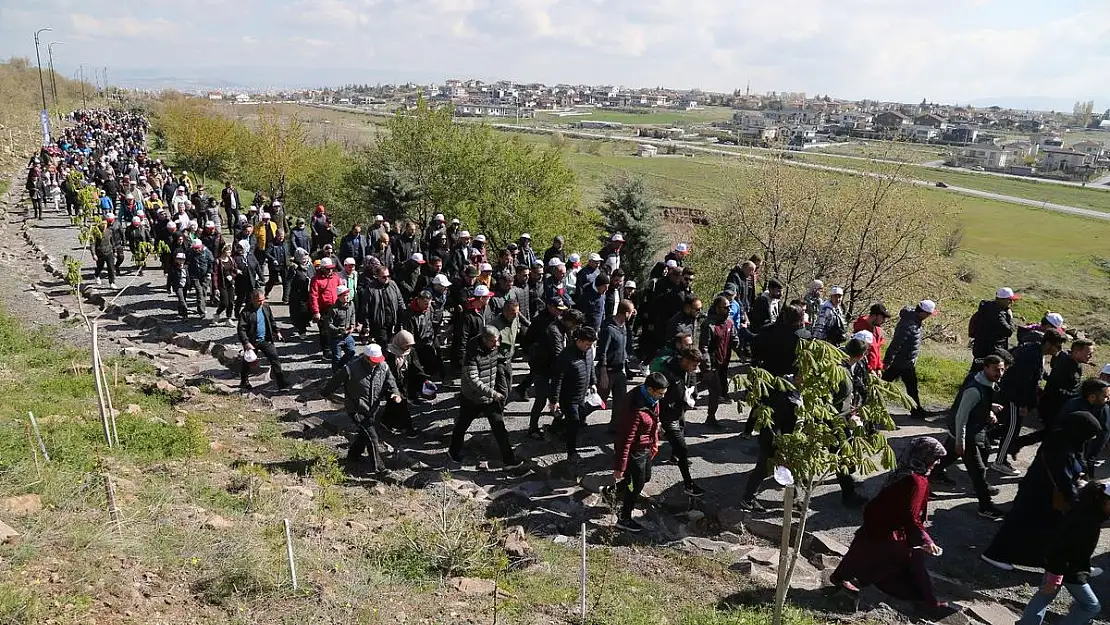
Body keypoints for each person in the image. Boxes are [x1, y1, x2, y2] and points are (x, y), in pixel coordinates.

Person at [829, 437, 950, 617]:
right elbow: (910, 515)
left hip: (878, 524)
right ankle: (929, 604)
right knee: (906, 563)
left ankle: (844, 578)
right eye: (935, 457)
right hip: (889, 530)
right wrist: (924, 539)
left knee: (864, 555)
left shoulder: (905, 470)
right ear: (924, 456)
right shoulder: (915, 480)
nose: (937, 462)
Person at [982, 410, 1102, 571]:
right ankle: (995, 554)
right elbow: (1062, 478)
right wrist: (1076, 501)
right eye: (1090, 435)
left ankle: (1047, 560)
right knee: (1019, 525)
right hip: (1039, 495)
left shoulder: (1064, 438)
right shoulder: (1061, 448)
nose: (1091, 439)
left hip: (1040, 493)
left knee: (1040, 530)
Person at [739, 304, 805, 510]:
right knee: (784, 445)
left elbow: (753, 342)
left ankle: (792, 494)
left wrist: (743, 329)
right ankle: (792, 496)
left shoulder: (768, 332)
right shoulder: (803, 337)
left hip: (767, 390)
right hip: (790, 395)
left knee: (771, 443)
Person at [1015, 481, 1109, 625]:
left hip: (1060, 566)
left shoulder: (1086, 510)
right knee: (1091, 606)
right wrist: (1055, 577)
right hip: (1067, 570)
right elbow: (1063, 548)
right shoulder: (1087, 521)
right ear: (1103, 500)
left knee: (1044, 596)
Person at [931, 354, 1006, 519]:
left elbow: (976, 406)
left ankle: (923, 484)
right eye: (996, 370)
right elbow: (961, 417)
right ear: (986, 368)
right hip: (965, 434)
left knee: (944, 458)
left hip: (965, 432)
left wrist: (989, 409)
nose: (999, 373)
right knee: (978, 470)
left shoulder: (985, 383)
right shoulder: (975, 389)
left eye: (1002, 369)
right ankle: (985, 506)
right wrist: (960, 441)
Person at [992, 331, 1066, 475]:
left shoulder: (1035, 351)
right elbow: (1023, 382)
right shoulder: (1032, 356)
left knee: (1009, 427)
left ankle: (989, 447)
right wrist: (1023, 404)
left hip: (1012, 395)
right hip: (1013, 397)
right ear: (1048, 344)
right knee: (1011, 429)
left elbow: (1035, 373)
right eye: (1057, 346)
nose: (1059, 349)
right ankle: (1000, 461)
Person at [320, 343, 401, 473]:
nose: (376, 364)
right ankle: (379, 468)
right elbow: (335, 381)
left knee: (364, 434)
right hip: (356, 408)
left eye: (378, 361)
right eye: (373, 361)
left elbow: (391, 381)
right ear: (366, 358)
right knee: (372, 436)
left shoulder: (383, 367)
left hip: (372, 408)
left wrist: (395, 393)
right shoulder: (351, 368)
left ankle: (353, 456)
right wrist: (324, 393)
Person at [448, 326, 519, 467]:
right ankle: (453, 452)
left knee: (499, 429)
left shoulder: (493, 348)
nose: (497, 344)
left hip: (490, 397)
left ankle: (510, 461)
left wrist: (500, 388)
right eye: (493, 341)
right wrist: (493, 393)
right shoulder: (472, 354)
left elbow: (498, 366)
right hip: (472, 398)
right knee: (461, 426)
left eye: (497, 340)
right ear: (484, 340)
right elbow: (473, 380)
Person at [612, 372, 670, 533]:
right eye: (660, 394)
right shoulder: (634, 409)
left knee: (645, 477)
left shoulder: (651, 399)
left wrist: (655, 440)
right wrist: (620, 467)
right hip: (634, 451)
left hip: (645, 446)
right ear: (650, 389)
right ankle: (624, 518)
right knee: (635, 485)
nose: (662, 397)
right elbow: (626, 440)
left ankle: (610, 493)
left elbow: (655, 419)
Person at [658, 346, 707, 497]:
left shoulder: (688, 371)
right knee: (682, 449)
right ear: (685, 361)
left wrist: (690, 397)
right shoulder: (668, 373)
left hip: (679, 412)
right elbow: (659, 397)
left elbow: (690, 386)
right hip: (668, 416)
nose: (696, 369)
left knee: (679, 448)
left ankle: (675, 459)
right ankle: (689, 485)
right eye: (694, 365)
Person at [552, 326, 598, 474]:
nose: (589, 347)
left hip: (582, 394)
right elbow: (558, 379)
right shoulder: (566, 356)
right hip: (568, 397)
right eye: (587, 344)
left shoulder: (589, 352)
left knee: (577, 419)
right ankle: (571, 452)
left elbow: (590, 367)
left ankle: (556, 428)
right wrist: (554, 400)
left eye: (591, 344)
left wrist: (593, 382)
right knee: (574, 422)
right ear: (578, 341)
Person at [882, 300, 937, 419]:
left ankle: (916, 410)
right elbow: (896, 344)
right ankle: (868, 404)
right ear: (922, 312)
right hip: (899, 362)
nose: (928, 317)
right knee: (883, 384)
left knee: (911, 387)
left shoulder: (915, 321)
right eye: (928, 314)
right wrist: (887, 361)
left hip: (907, 363)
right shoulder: (909, 324)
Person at [236, 290, 288, 391]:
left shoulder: (266, 307)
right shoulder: (246, 312)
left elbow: (271, 320)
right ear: (253, 300)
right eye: (259, 301)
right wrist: (246, 343)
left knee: (275, 359)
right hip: (252, 342)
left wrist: (277, 331)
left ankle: (281, 382)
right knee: (248, 362)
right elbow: (241, 329)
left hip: (265, 339)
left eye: (263, 300)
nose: (261, 302)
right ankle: (244, 381)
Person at [701, 295, 740, 427]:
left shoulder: (729, 322)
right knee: (715, 390)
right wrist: (707, 366)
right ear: (717, 309)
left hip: (724, 363)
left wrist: (742, 350)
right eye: (725, 307)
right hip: (712, 364)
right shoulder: (709, 325)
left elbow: (734, 339)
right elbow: (704, 347)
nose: (729, 310)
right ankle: (710, 418)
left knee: (718, 389)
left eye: (729, 307)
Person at [381, 330, 428, 437]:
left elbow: (417, 367)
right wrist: (391, 390)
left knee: (393, 405)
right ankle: (408, 429)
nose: (408, 348)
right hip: (392, 384)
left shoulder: (411, 352)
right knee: (402, 405)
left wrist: (425, 380)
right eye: (406, 345)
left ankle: (385, 421)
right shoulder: (388, 354)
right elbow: (384, 374)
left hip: (405, 383)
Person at [597, 300, 634, 412]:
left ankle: (615, 428)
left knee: (621, 402)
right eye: (632, 312)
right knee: (598, 401)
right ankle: (577, 418)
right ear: (626, 313)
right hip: (608, 371)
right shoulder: (609, 328)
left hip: (620, 370)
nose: (633, 314)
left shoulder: (624, 327)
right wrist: (603, 373)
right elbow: (602, 351)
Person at [971, 287, 1018, 359]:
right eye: (1009, 300)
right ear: (1001, 300)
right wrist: (1010, 317)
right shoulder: (997, 314)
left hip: (981, 349)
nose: (1012, 302)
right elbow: (1009, 331)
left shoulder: (988, 308)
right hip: (991, 352)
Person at [324, 285, 358, 370]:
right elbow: (329, 324)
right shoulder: (333, 309)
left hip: (347, 335)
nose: (347, 297)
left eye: (348, 294)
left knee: (351, 352)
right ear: (339, 297)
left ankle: (341, 366)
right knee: (336, 357)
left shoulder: (351, 304)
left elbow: (353, 314)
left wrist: (352, 325)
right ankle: (336, 373)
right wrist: (338, 329)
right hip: (336, 337)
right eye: (345, 295)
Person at [852, 304, 890, 372]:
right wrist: (870, 369)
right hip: (862, 369)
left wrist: (878, 367)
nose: (884, 321)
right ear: (874, 316)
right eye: (882, 317)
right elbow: (860, 353)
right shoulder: (861, 330)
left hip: (874, 370)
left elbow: (877, 349)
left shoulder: (877, 329)